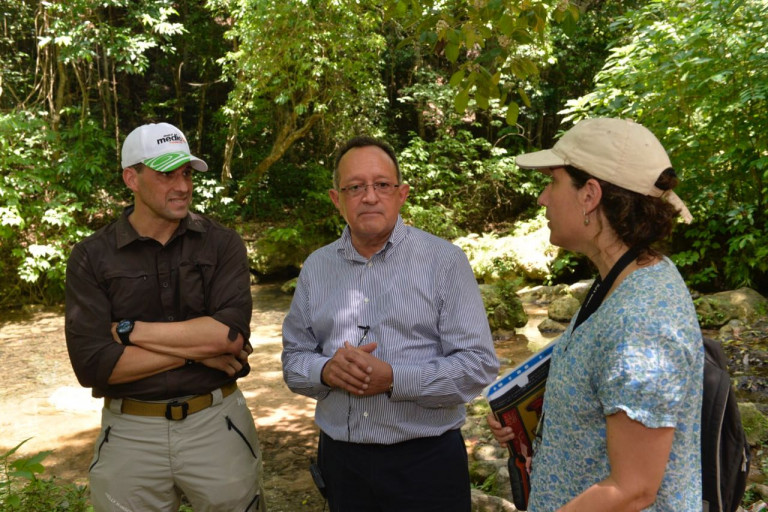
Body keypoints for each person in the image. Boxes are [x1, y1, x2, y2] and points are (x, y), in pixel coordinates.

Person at [488, 117, 703, 511]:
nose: (542, 198)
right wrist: (530, 422)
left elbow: (634, 489)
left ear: (589, 195)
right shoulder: (618, 278)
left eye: (552, 182)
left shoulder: (641, 321)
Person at [281, 136, 500, 512]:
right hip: (342, 461)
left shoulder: (444, 261)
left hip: (427, 461)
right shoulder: (316, 268)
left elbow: (478, 366)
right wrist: (326, 371)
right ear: (336, 199)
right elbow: (293, 361)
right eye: (355, 187)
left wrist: (395, 379)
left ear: (402, 194)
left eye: (382, 184)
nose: (369, 197)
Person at [65, 122, 265, 512]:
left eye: (187, 173)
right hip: (129, 434)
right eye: (166, 174)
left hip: (218, 425)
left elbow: (227, 338)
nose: (183, 186)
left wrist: (129, 331)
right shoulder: (91, 257)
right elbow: (94, 366)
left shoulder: (222, 243)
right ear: (132, 179)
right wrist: (199, 352)